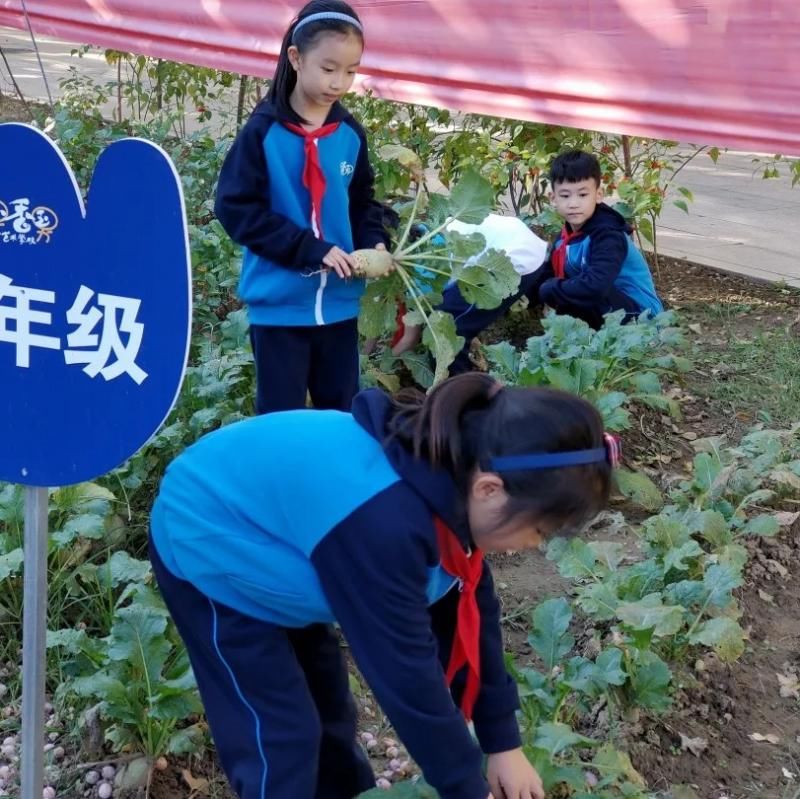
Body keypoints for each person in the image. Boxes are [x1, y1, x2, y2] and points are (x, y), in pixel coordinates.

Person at [149, 372, 620, 799]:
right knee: (280, 737)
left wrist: (502, 744)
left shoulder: (454, 478)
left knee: (331, 713)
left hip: (288, 534)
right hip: (211, 539)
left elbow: (471, 615)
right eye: (538, 531)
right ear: (490, 490)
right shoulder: (384, 525)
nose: (533, 546)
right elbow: (405, 674)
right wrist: (465, 788)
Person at [215, 0, 389, 414]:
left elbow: (362, 202)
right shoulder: (263, 133)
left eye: (351, 71)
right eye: (328, 69)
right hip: (280, 307)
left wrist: (375, 242)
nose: (339, 82)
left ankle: (333, 481)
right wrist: (310, 249)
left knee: (341, 415)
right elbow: (236, 208)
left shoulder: (349, 135)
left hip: (340, 306)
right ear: (296, 58)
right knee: (280, 420)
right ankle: (279, 481)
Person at [390, 214, 549, 374]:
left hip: (514, 260)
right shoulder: (424, 231)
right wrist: (365, 356)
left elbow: (409, 339)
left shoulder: (420, 274)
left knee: (449, 331)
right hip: (518, 239)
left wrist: (380, 368)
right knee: (456, 311)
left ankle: (461, 387)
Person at [527, 150, 663, 329]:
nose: (573, 203)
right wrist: (522, 295)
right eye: (565, 196)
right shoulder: (566, 236)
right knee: (560, 286)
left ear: (599, 194)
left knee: (583, 290)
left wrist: (550, 290)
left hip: (641, 316)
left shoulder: (609, 236)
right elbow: (547, 274)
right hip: (608, 308)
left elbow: (596, 287)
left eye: (583, 195)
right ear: (553, 198)